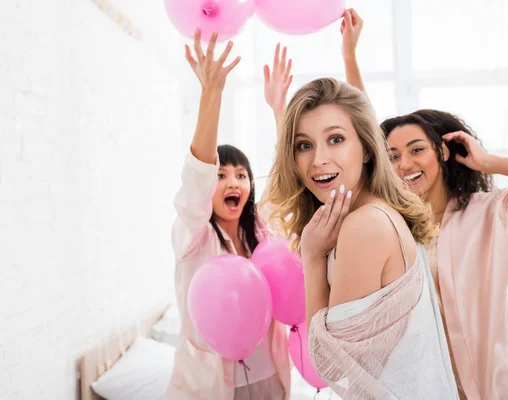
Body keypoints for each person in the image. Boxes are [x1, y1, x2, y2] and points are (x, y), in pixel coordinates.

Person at [341, 8, 508, 399]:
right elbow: (365, 134)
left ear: (443, 152)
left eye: (416, 150)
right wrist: (350, 56)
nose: (404, 164)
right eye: (392, 155)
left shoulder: (493, 213)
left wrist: (490, 161)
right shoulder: (391, 225)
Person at [261, 77, 459, 399]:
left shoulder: (364, 226)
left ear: (367, 149)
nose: (319, 159)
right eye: (304, 145)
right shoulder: (373, 214)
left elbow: (330, 365)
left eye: (336, 139)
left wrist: (312, 258)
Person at [164, 30, 291, 400]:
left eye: (240, 174)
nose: (232, 181)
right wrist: (211, 95)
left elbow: (287, 182)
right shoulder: (193, 237)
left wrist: (279, 109)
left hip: (269, 377)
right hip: (210, 386)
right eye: (221, 175)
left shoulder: (263, 234)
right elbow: (196, 176)